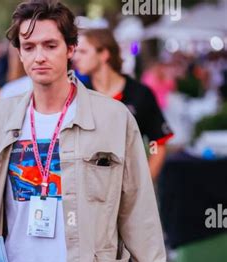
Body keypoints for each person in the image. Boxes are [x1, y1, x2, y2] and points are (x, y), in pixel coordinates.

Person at [0, 0, 167, 262]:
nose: (39, 56)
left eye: (50, 45)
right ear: (19, 54)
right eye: (29, 47)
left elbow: (139, 211)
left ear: (70, 49)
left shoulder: (114, 118)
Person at [73, 29, 173, 179]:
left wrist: (144, 182)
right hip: (89, 188)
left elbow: (156, 142)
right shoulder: (79, 94)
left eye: (83, 52)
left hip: (129, 185)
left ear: (104, 54)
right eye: (76, 51)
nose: (76, 57)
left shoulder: (140, 93)